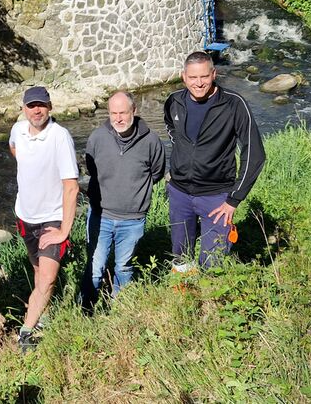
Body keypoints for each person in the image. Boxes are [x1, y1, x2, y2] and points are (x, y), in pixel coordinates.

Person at [164, 51, 265, 268]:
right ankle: (184, 298)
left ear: (214, 74)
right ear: (184, 77)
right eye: (193, 77)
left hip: (217, 197)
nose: (199, 83)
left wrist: (234, 199)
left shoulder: (233, 104)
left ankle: (210, 300)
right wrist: (181, 148)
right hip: (180, 193)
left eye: (204, 77)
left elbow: (255, 153)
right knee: (181, 258)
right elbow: (171, 126)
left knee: (213, 262)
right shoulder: (174, 101)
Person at [8, 86, 79, 353]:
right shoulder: (18, 130)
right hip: (25, 216)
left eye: (41, 105)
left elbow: (71, 186)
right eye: (31, 106)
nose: (36, 110)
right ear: (24, 108)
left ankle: (26, 331)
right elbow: (13, 148)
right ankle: (43, 315)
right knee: (38, 270)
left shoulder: (60, 137)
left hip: (52, 220)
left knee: (48, 279)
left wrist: (64, 230)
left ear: (50, 107)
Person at [81, 91, 165, 308]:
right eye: (113, 113)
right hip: (101, 215)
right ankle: (86, 310)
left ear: (134, 111)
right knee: (95, 266)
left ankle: (122, 309)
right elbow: (91, 169)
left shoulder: (151, 141)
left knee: (124, 267)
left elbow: (156, 173)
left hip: (133, 219)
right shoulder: (97, 138)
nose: (118, 118)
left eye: (123, 112)